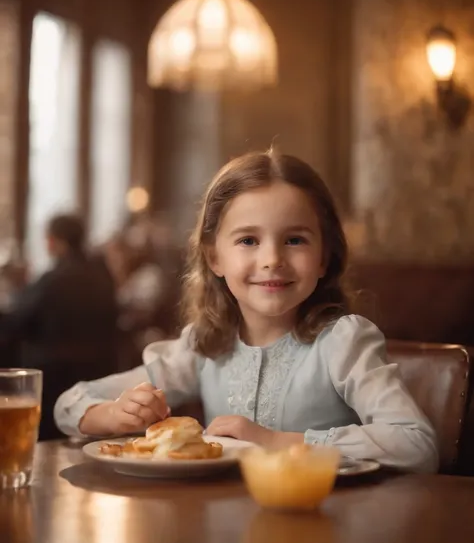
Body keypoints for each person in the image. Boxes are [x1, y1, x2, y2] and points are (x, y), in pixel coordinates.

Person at [54, 152, 438, 472]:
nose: (271, 259)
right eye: (248, 240)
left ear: (325, 257)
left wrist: (275, 441)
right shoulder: (204, 346)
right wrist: (114, 414)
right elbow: (69, 403)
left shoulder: (343, 342)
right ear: (214, 256)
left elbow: (416, 444)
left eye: (294, 240)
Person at [2, 214, 118, 440]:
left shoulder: (54, 279)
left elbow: (17, 321)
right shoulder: (102, 274)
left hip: (55, 381)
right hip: (99, 375)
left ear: (55, 241)